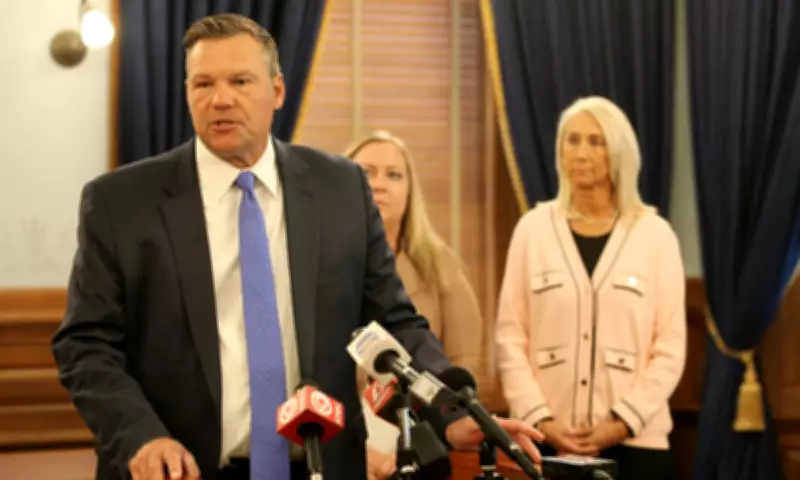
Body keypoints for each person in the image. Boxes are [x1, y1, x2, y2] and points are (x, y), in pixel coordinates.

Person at [51, 13, 542, 480]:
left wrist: (451, 413)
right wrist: (140, 438)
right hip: (181, 469)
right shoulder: (121, 202)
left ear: (278, 90)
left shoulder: (340, 188)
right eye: (203, 84)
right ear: (187, 93)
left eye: (240, 81)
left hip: (318, 466)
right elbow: (85, 344)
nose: (220, 99)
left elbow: (394, 322)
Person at [494, 96, 686, 480]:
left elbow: (669, 349)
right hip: (543, 444)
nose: (581, 153)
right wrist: (540, 419)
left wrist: (621, 423)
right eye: (572, 140)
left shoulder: (655, 236)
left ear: (619, 153)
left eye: (596, 142)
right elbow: (510, 337)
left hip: (636, 448)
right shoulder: (532, 230)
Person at [344, 131, 486, 479]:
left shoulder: (442, 268)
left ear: (410, 192)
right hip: (342, 449)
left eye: (394, 175)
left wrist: (433, 431)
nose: (379, 184)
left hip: (424, 449)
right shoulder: (319, 267)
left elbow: (462, 366)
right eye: (366, 172)